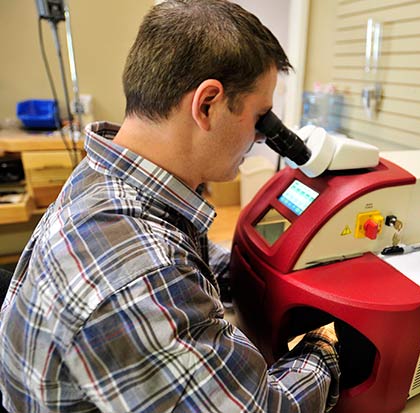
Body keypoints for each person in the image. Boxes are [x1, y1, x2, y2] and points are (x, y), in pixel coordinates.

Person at [0, 1, 340, 412]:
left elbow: (184, 254)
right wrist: (323, 347)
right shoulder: (138, 268)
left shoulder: (109, 175)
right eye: (261, 118)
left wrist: (250, 275)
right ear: (208, 104)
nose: (261, 139)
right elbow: (266, 407)